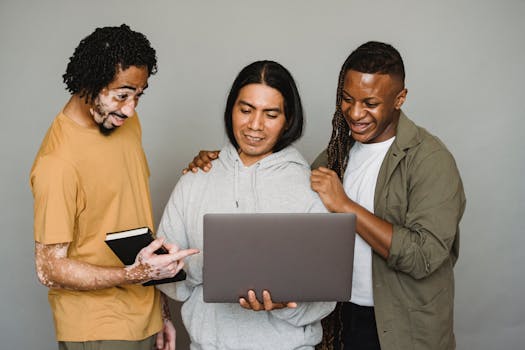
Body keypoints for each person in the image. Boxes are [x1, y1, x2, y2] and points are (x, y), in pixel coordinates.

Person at [184, 42, 466, 350]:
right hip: (337, 321)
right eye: (347, 99)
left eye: (370, 103)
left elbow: (424, 257)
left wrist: (345, 206)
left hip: (401, 327)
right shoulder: (333, 157)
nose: (355, 113)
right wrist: (223, 162)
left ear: (400, 98)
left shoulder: (430, 159)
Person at [30, 24, 198, 350]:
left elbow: (132, 221)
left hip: (143, 316)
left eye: (138, 94)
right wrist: (131, 275)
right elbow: (49, 269)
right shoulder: (58, 162)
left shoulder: (124, 122)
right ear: (88, 83)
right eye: (122, 95)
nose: (131, 108)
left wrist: (160, 311)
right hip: (97, 328)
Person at [156, 60, 335, 349]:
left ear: (288, 119)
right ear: (231, 110)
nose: (255, 125)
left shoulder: (309, 189)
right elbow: (166, 277)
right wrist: (208, 265)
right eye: (246, 110)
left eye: (271, 114)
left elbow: (326, 295)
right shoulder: (196, 180)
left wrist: (285, 303)